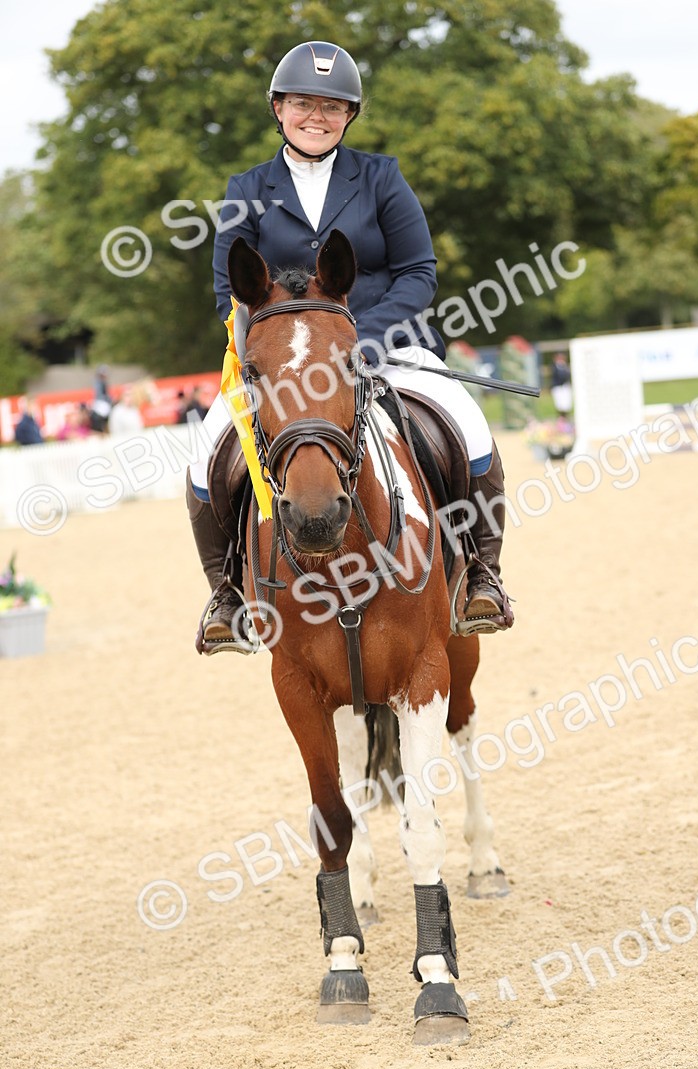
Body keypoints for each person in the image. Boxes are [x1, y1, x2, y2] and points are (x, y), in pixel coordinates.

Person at [188, 40, 514, 651]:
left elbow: (420, 272)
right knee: (208, 449)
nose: (318, 116)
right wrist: (277, 354)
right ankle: (227, 592)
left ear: (350, 116)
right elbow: (227, 293)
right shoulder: (246, 188)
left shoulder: (382, 178)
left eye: (333, 107)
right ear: (279, 108)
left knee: (469, 427)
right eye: (304, 104)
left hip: (388, 344)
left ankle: (481, 575)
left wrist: (361, 339)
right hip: (287, 363)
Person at [89, 366, 114, 433]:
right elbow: (100, 394)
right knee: (106, 411)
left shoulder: (102, 382)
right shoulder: (99, 382)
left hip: (102, 400)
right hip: (101, 401)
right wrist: (109, 399)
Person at [550, 353, 573, 417]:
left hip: (565, 387)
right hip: (558, 387)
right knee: (559, 404)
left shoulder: (565, 366)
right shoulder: (554, 366)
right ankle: (561, 418)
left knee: (566, 404)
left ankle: (566, 417)